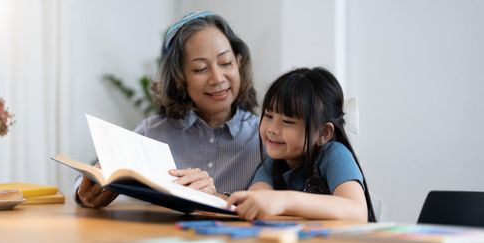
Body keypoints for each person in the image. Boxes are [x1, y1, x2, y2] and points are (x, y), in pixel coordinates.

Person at [76, 12, 261, 208]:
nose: (217, 78)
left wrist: (218, 197)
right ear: (179, 77)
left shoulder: (264, 136)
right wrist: (86, 192)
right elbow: (88, 177)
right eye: (200, 69)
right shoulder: (152, 132)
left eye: (226, 63)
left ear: (239, 63)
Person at [226, 67, 376, 222]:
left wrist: (286, 200)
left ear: (323, 133)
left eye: (287, 121)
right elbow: (258, 201)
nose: (272, 129)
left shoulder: (334, 154)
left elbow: (357, 212)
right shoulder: (272, 163)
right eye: (269, 115)